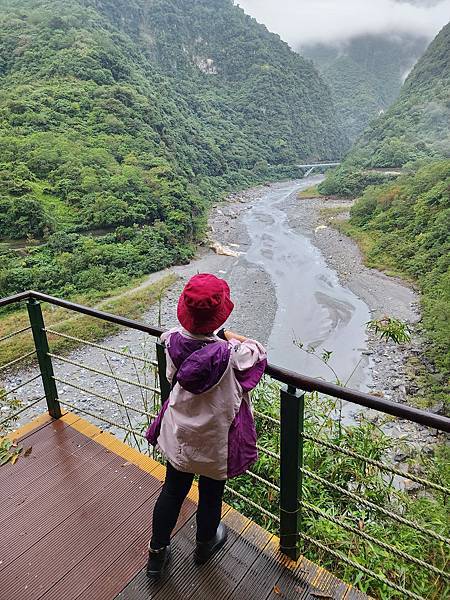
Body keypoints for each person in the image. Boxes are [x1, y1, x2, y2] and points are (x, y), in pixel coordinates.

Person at [145, 273, 267, 577]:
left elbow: (176, 347)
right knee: (211, 494)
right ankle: (204, 546)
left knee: (173, 490)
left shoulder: (172, 340)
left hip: (181, 432)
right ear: (220, 314)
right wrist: (229, 336)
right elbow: (258, 351)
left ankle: (156, 555)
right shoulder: (233, 356)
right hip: (216, 439)